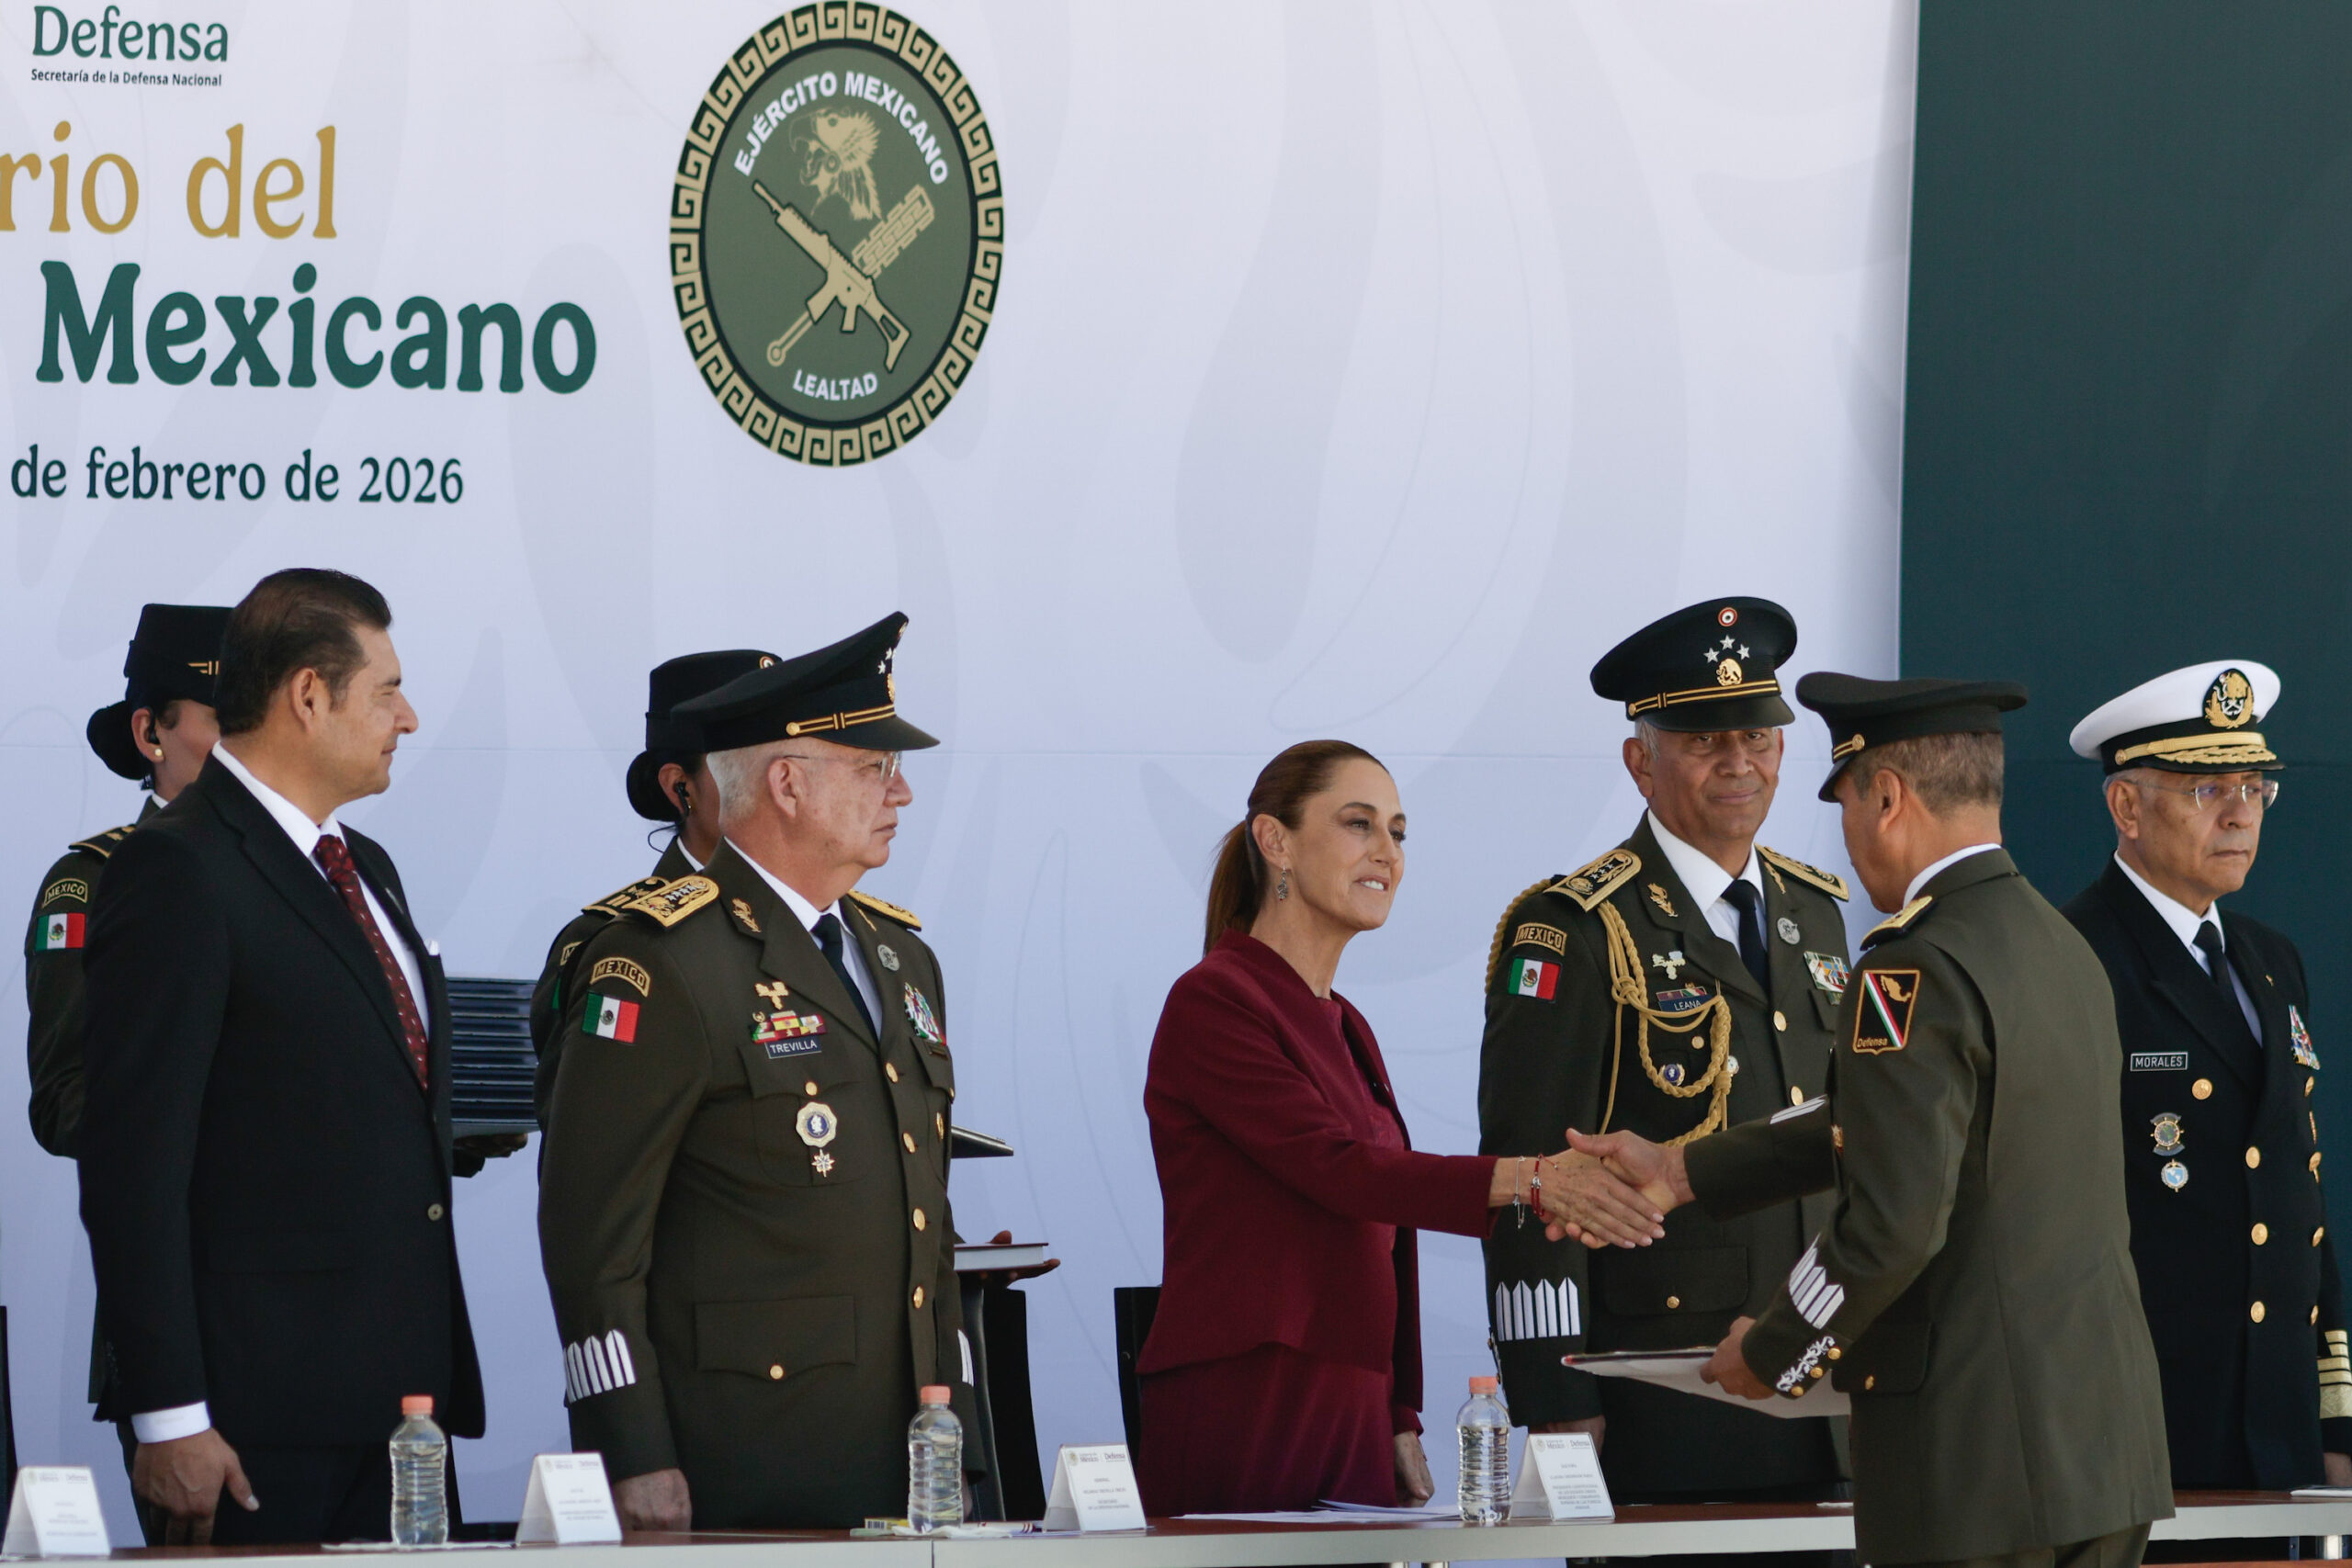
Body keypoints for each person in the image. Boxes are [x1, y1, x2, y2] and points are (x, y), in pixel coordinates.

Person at [1565, 673, 2171, 1568]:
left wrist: (1774, 1352)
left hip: (1975, 1465)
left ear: (1886, 797)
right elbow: (1878, 1121)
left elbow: (1891, 1224)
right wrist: (1685, 1171)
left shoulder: (1913, 967)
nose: (1846, 840)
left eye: (1846, 805)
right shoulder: (2062, 947)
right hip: (2104, 1451)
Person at [537, 612, 975, 1531]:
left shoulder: (899, 957)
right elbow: (592, 1245)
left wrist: (958, 1432)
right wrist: (632, 1452)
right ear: (786, 784)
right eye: (874, 767)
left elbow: (926, 1223)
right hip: (742, 1465)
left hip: (904, 1462)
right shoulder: (659, 961)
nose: (901, 792)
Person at [77, 569, 484, 1545]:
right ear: (308, 695)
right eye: (387, 690)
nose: (408, 717)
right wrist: (169, 1414)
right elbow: (133, 1166)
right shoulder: (178, 866)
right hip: (253, 1423)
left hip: (400, 1413)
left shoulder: (364, 866)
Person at [1139, 740, 1594, 1516]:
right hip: (1254, 1391)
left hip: (1350, 1395)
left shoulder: (1346, 1022)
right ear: (1275, 840)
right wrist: (1527, 1179)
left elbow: (1385, 1233)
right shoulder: (1214, 998)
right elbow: (1340, 1169)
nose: (1388, 851)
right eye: (1359, 823)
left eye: (1398, 831)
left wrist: (1397, 1409)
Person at [1479, 598, 1849, 1527]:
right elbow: (1530, 1181)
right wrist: (1556, 1399)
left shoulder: (1815, 912)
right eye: (1703, 740)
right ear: (1640, 761)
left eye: (1757, 735)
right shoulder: (1576, 928)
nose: (1739, 762)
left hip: (1826, 1391)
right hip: (1670, 1402)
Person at [2062, 662, 2348, 1513]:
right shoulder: (2072, 958)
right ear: (2126, 807)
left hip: (2280, 1427)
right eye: (2208, 789)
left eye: (2255, 788)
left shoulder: (2270, 958)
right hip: (2143, 1427)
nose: (2240, 813)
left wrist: (2335, 1417)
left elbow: (2299, 1190)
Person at [24, 603, 228, 1529]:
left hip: (337, 1329)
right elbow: (65, 1101)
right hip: (185, 1316)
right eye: (223, 718)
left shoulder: (330, 876)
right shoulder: (95, 882)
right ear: (151, 734)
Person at [528, 648, 778, 1126]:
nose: (784, 785)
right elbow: (590, 1142)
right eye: (749, 766)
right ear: (680, 787)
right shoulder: (617, 944)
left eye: (794, 763)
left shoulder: (835, 930)